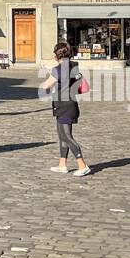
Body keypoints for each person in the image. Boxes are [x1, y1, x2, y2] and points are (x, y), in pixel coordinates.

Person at [41, 42, 90, 177]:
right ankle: (62, 164)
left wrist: (46, 85)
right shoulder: (74, 66)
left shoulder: (58, 69)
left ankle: (82, 164)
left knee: (67, 137)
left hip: (64, 106)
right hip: (69, 104)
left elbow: (46, 85)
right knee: (62, 136)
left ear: (58, 54)